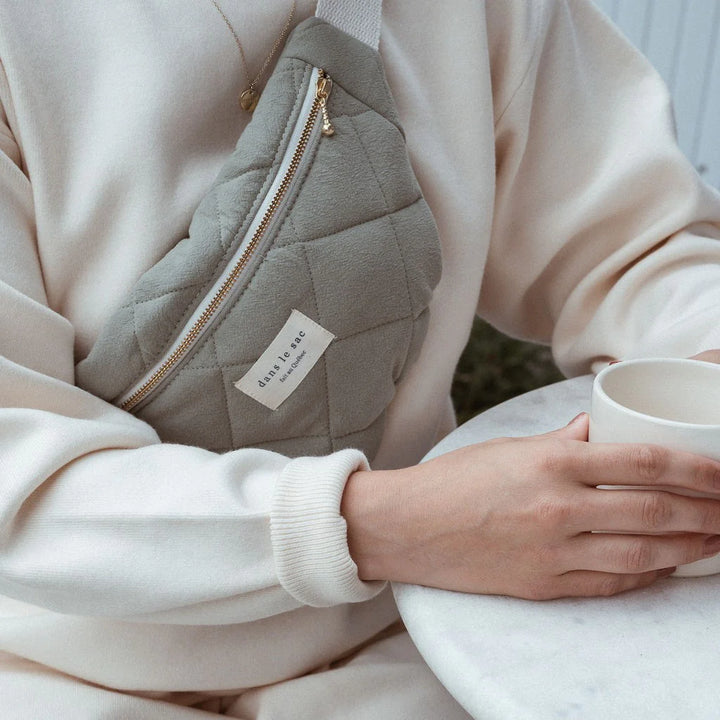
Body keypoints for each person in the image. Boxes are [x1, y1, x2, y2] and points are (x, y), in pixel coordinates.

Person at [1, 0, 720, 717]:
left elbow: (637, 242)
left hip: (410, 637)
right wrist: (393, 525)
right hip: (50, 664)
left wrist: (703, 349)